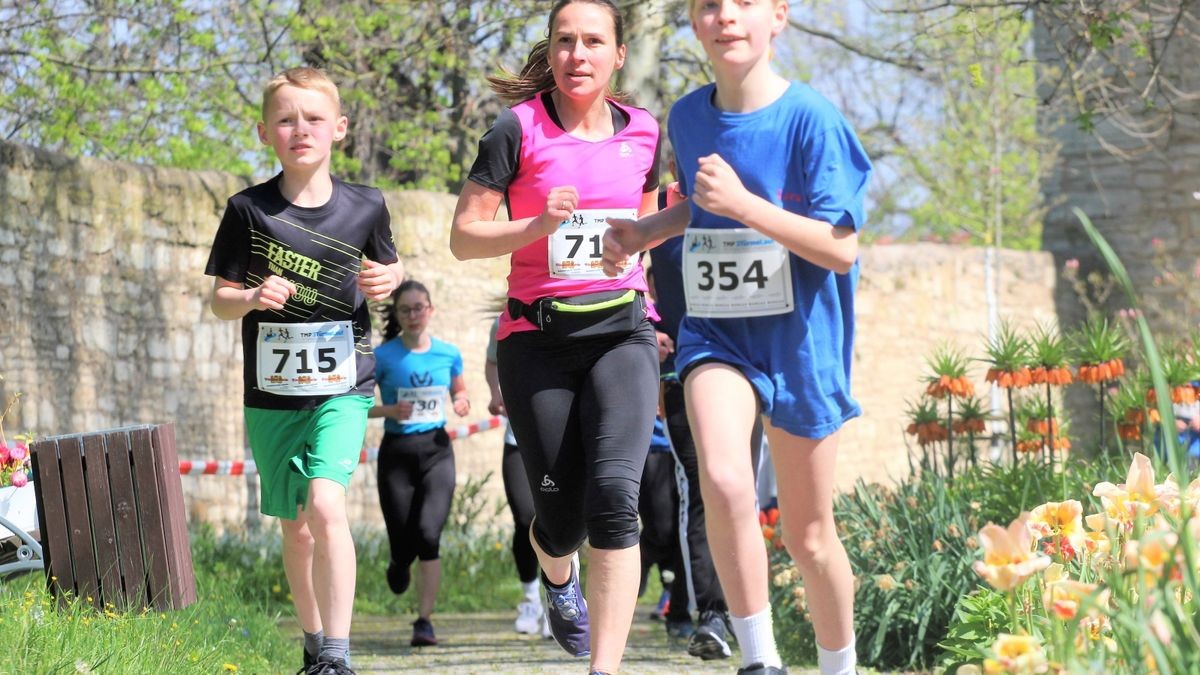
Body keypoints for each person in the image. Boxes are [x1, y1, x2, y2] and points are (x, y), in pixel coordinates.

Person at [602, 1, 873, 673]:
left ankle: (840, 665)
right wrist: (645, 232)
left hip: (801, 341)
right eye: (708, 6)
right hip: (717, 332)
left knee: (810, 538)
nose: (726, 17)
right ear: (694, 23)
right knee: (724, 478)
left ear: (778, 17)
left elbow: (841, 247)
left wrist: (747, 205)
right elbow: (701, 203)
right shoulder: (690, 117)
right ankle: (760, 659)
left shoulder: (811, 118)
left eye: (744, 4)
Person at [450, 1, 661, 672]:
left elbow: (648, 230)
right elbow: (463, 237)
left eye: (593, 41)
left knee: (615, 499)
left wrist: (640, 267)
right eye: (565, 41)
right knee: (562, 518)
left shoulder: (647, 134)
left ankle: (605, 665)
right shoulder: (517, 130)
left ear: (618, 54)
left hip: (621, 335)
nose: (578, 54)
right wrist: (536, 226)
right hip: (536, 341)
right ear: (551, 48)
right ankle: (559, 578)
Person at [205, 66, 403, 675]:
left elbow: (390, 270)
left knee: (326, 506)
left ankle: (339, 657)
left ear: (339, 128)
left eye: (314, 118)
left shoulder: (366, 205)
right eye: (286, 119)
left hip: (344, 383)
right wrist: (252, 298)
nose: (300, 130)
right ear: (265, 132)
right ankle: (314, 640)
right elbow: (218, 298)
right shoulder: (248, 210)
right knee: (296, 528)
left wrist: (388, 278)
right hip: (272, 393)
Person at [369, 280, 469, 648]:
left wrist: (461, 401)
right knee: (402, 541)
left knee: (428, 534)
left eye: (419, 308)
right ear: (397, 315)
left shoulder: (448, 353)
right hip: (397, 452)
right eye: (405, 310)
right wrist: (389, 410)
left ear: (431, 310)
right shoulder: (383, 357)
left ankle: (424, 621)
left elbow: (459, 389)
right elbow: (359, 404)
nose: (413, 315)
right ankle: (398, 562)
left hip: (437, 450)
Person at [484, 312, 550, 638]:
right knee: (525, 518)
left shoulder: (569, 311)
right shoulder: (505, 320)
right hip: (518, 438)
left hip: (559, 439)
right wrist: (496, 393)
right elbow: (492, 362)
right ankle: (530, 599)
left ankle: (560, 597)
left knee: (560, 520)